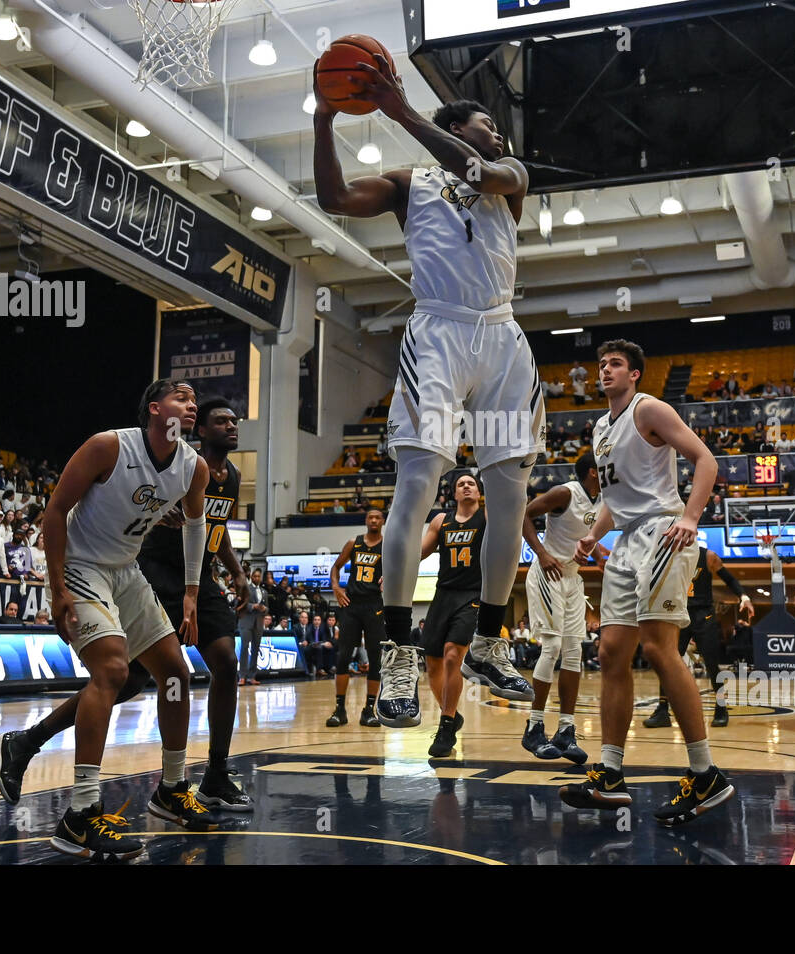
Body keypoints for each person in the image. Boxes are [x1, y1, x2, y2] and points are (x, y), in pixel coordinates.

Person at [313, 62, 543, 732]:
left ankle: (492, 643)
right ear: (454, 127)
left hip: (501, 334)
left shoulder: (512, 177)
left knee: (510, 493)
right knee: (416, 487)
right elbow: (333, 200)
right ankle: (397, 653)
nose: (497, 135)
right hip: (439, 331)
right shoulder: (408, 184)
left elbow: (484, 174)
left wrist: (399, 111)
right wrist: (326, 119)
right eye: (485, 125)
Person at [0, 397, 254, 812]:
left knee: (200, 666)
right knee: (122, 677)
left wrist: (222, 578)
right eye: (217, 418)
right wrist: (58, 585)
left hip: (170, 576)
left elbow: (207, 528)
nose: (231, 424)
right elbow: (67, 507)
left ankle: (198, 778)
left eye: (234, 419)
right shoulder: (126, 451)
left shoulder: (211, 472)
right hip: (136, 568)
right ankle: (65, 785)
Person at [561, 340, 734, 826]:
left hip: (664, 530)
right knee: (611, 652)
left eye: (615, 364)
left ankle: (706, 774)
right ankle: (611, 775)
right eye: (601, 364)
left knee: (660, 650)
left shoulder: (650, 409)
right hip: (627, 540)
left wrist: (692, 517)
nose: (605, 370)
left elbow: (706, 461)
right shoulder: (599, 428)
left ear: (635, 374)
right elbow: (615, 498)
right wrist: (592, 535)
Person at [421, 473, 531, 756]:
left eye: (472, 483)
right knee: (432, 663)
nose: (467, 486)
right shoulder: (439, 522)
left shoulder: (487, 518)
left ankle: (446, 725)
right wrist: (395, 571)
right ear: (454, 494)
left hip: (474, 594)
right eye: (461, 484)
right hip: (443, 593)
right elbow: (418, 553)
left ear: (480, 492)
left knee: (451, 655)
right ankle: (453, 714)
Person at [519, 452, 601, 764]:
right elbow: (524, 514)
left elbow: (585, 536)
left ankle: (566, 731)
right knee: (551, 647)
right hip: (547, 572)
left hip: (571, 578)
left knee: (573, 651)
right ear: (593, 472)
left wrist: (598, 552)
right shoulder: (565, 493)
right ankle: (534, 727)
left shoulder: (603, 499)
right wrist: (540, 552)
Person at [644, 542, 753, 729]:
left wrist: (744, 597)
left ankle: (721, 708)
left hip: (704, 615)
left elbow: (729, 579)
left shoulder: (708, 556)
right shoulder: (669, 556)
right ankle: (662, 710)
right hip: (679, 614)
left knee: (711, 663)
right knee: (667, 662)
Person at [326, 509, 387, 728]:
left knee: (375, 659)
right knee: (343, 656)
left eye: (377, 517)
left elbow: (396, 570)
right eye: (370, 517)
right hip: (351, 605)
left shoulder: (386, 546)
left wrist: (387, 580)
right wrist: (336, 587)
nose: (373, 520)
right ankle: (340, 709)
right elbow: (336, 567)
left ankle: (368, 710)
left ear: (382, 521)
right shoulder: (354, 542)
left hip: (374, 606)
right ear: (366, 521)